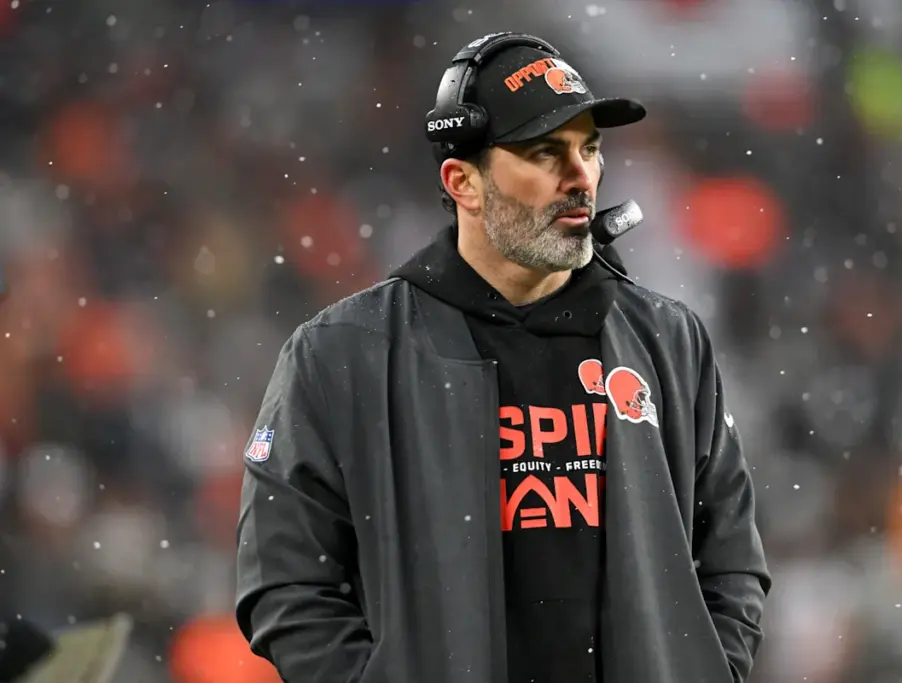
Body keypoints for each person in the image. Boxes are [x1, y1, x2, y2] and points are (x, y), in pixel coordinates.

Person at [235, 32, 771, 683]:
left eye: (589, 148)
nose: (582, 177)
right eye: (545, 153)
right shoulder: (340, 354)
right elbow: (286, 582)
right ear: (463, 181)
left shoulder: (670, 341)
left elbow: (732, 562)